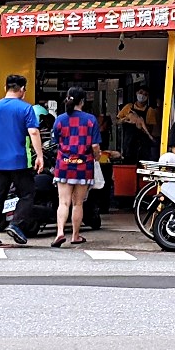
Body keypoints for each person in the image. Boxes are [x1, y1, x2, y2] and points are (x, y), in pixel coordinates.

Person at [0, 74, 43, 247]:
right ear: (22, 90)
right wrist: (40, 156)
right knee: (27, 194)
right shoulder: (26, 109)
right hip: (20, 161)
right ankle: (16, 224)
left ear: (5, 88)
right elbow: (34, 132)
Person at [49, 86, 102, 247]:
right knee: (78, 203)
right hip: (83, 166)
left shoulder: (60, 119)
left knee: (63, 202)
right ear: (83, 101)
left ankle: (59, 233)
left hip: (63, 164)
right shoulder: (90, 120)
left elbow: (54, 142)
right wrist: (97, 156)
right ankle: (75, 235)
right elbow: (95, 145)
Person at [117, 84, 158, 163]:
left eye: (145, 94)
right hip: (128, 144)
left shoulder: (150, 110)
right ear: (136, 93)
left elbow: (150, 129)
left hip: (143, 145)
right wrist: (126, 119)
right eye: (141, 92)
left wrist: (141, 126)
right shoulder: (128, 107)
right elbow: (117, 121)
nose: (142, 96)